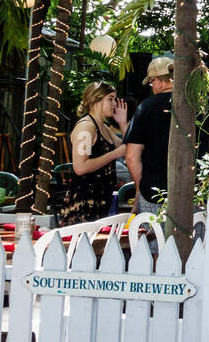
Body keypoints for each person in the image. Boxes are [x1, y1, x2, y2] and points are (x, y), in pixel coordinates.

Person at [61, 82, 128, 224]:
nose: (114, 103)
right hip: (85, 202)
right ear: (96, 100)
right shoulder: (86, 127)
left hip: (100, 200)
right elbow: (80, 167)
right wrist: (114, 154)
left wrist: (122, 123)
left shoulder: (104, 127)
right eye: (110, 99)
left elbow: (128, 148)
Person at [125, 58, 175, 216]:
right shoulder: (200, 105)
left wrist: (141, 189)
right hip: (195, 195)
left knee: (154, 240)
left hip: (154, 195)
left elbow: (132, 157)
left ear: (159, 82)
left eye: (151, 83)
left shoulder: (146, 107)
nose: (152, 87)